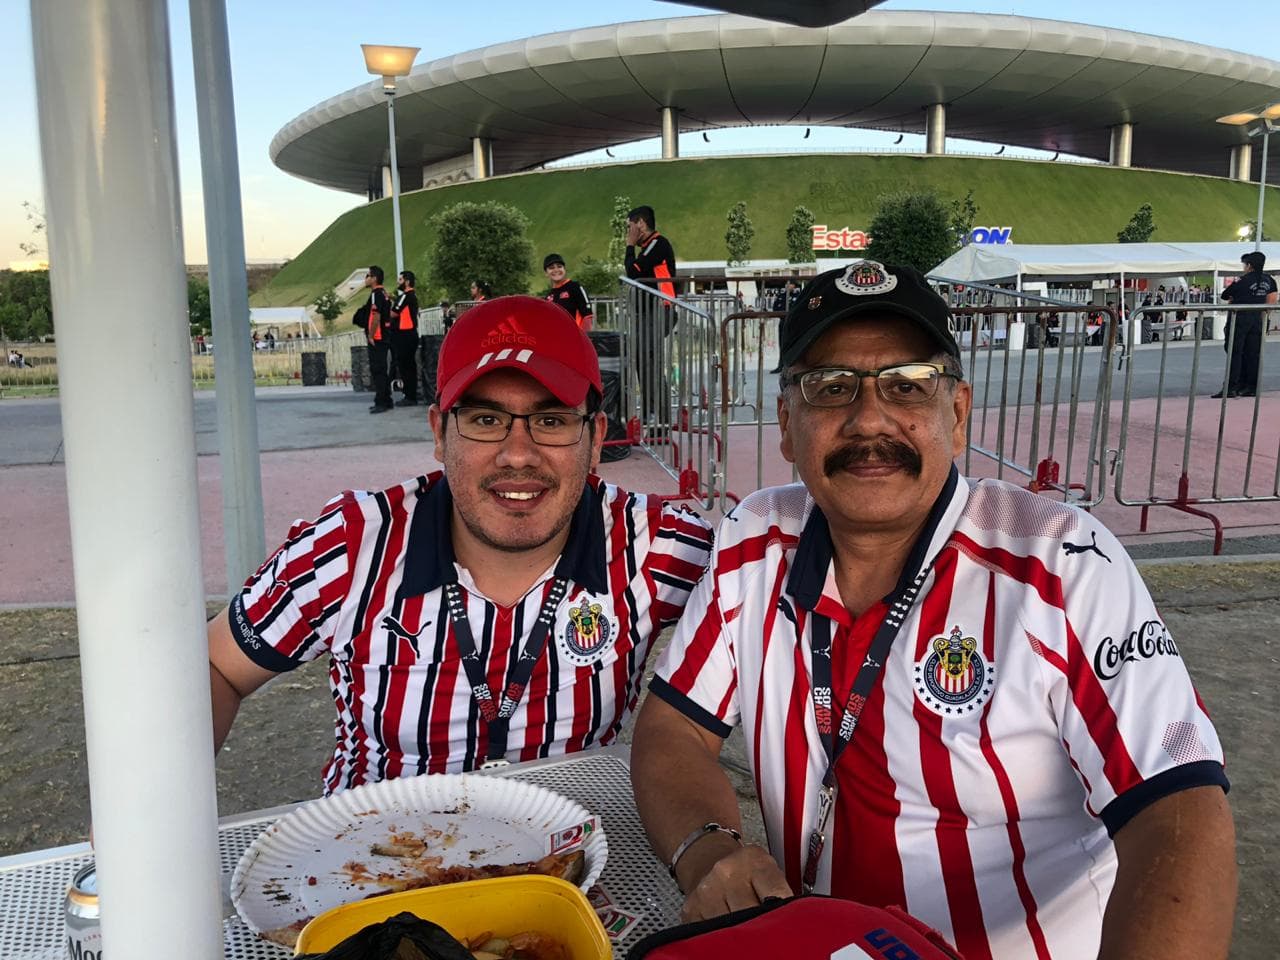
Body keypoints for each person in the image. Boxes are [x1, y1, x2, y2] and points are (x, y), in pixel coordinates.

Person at [632, 261, 1235, 959]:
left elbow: (1181, 814)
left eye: (907, 384)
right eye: (830, 388)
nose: (868, 418)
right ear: (787, 428)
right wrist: (708, 851)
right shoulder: (755, 540)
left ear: (955, 415)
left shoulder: (1060, 564)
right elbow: (675, 725)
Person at [207, 295, 714, 794]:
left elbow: (767, 591)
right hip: (375, 857)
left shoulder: (657, 546)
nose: (518, 455)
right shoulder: (351, 544)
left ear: (597, 437)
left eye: (552, 420)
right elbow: (216, 666)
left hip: (568, 861)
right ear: (439, 432)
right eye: (485, 420)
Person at [623, 206, 677, 423]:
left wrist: (629, 246)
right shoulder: (647, 246)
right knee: (642, 362)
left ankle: (661, 418)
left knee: (651, 364)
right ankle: (649, 413)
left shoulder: (658, 243)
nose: (629, 233)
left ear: (640, 224)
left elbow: (633, 271)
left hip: (660, 310)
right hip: (646, 313)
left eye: (630, 227)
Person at [1216, 251, 1278, 398]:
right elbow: (1272, 297)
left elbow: (1225, 295)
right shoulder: (1269, 280)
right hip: (1258, 318)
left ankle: (1232, 386)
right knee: (1253, 353)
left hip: (1240, 318)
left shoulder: (1243, 280)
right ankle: (1251, 386)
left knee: (1235, 352)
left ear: (1249, 265)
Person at [359, 265, 394, 414]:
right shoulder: (384, 293)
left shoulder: (376, 294)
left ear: (374, 278)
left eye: (367, 276)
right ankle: (386, 399)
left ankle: (381, 401)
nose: (365, 279)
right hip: (385, 335)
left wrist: (371, 335)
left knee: (378, 369)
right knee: (382, 369)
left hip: (378, 337)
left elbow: (376, 316)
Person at [542, 253, 594, 331]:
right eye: (551, 268)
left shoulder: (575, 287)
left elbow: (587, 316)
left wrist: (584, 338)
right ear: (546, 273)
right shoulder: (548, 297)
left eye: (559, 266)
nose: (556, 270)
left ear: (564, 269)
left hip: (575, 338)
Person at [392, 270, 421, 407]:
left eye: (400, 279)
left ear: (407, 282)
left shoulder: (406, 295)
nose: (398, 282)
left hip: (405, 334)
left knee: (406, 366)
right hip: (409, 334)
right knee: (409, 365)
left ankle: (410, 395)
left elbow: (394, 312)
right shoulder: (411, 296)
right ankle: (411, 393)